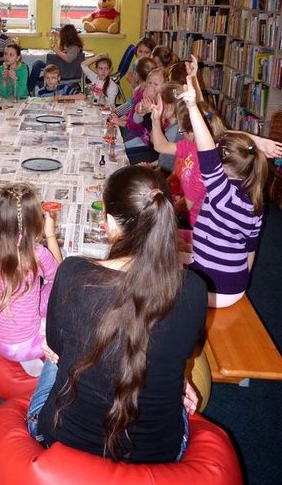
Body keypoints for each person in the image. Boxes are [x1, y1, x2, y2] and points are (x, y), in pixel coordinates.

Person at [27, 166, 208, 464]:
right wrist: (175, 381)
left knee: (52, 352)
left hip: (61, 437)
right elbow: (175, 347)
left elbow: (58, 348)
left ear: (110, 223)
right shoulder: (195, 289)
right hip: (160, 453)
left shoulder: (72, 272)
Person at [179, 75, 268, 308]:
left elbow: (207, 151)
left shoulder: (223, 195)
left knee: (157, 272)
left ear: (224, 167)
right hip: (235, 285)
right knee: (172, 250)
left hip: (212, 288)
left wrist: (192, 107)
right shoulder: (255, 200)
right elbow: (250, 250)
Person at [0, 183, 62, 376]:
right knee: (60, 289)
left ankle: (25, 353)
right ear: (34, 221)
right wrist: (50, 234)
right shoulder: (37, 253)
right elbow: (60, 275)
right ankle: (30, 353)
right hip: (26, 344)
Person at [152, 94, 226, 227]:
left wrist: (157, 207)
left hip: (196, 225)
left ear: (193, 132)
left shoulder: (206, 164)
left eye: (182, 130)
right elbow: (161, 146)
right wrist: (156, 119)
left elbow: (186, 205)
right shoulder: (192, 144)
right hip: (184, 210)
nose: (182, 134)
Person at [28, 24, 84, 93]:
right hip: (63, 68)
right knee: (38, 63)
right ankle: (34, 85)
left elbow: (69, 59)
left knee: (38, 63)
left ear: (67, 37)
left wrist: (57, 51)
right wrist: (56, 33)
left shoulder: (75, 47)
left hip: (64, 70)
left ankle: (29, 89)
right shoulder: (72, 45)